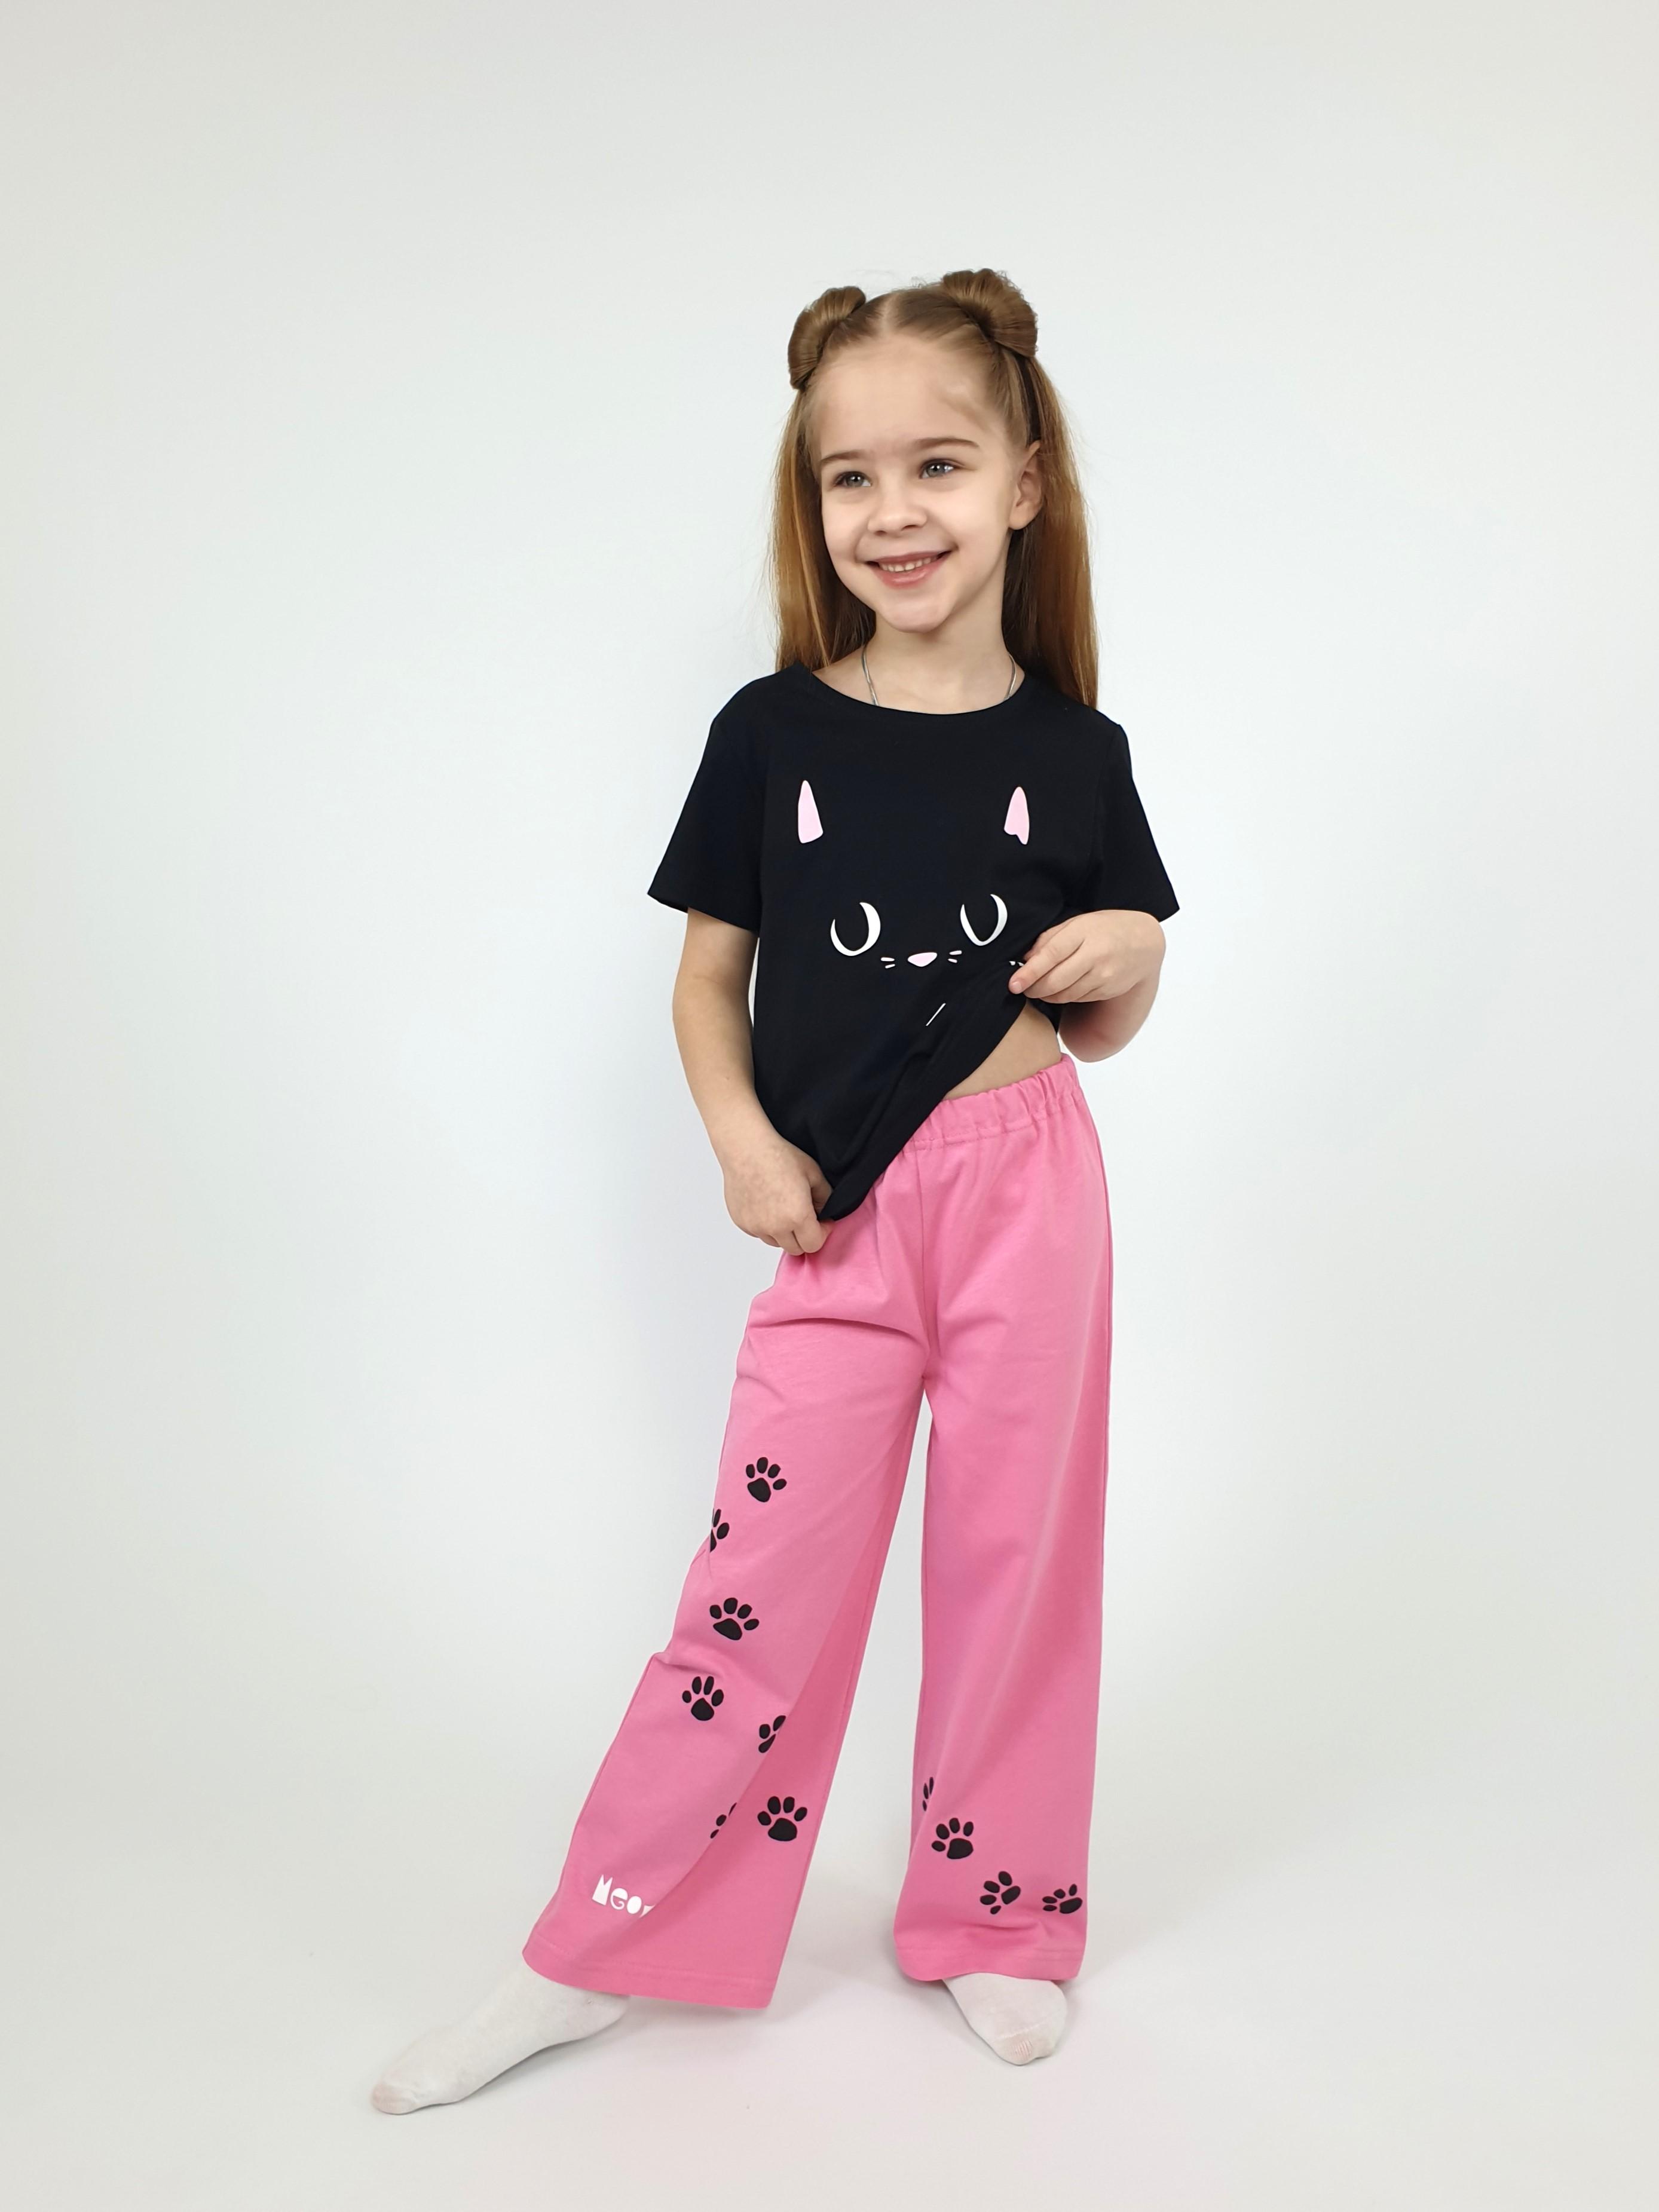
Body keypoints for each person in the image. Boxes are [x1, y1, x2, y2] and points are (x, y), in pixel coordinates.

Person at [371, 266, 1179, 2110]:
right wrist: (743, 1142)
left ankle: (993, 1914)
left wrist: (1134, 948)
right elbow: (706, 981)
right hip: (840, 1212)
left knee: (1019, 1559)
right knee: (758, 1585)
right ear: (811, 502)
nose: (894, 511)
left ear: (1024, 482)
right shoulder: (772, 732)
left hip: (1032, 1193)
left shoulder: (1078, 754)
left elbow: (1108, 1016)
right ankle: (608, 1938)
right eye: (849, 476)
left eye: (939, 465)